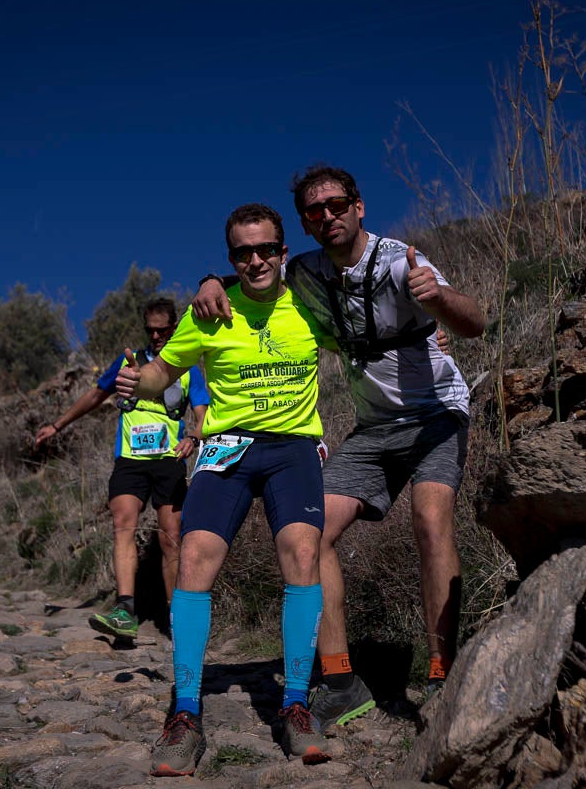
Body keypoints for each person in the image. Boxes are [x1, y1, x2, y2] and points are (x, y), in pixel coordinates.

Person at [192, 165, 485, 727]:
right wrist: (210, 280)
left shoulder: (402, 260)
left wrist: (440, 299)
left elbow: (474, 322)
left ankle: (442, 669)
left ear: (359, 206)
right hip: (374, 429)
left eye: (337, 204)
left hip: (435, 416)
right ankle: (341, 679)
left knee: (430, 520)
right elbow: (252, 272)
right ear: (304, 224)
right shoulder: (304, 271)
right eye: (314, 211)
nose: (327, 216)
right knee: (311, 533)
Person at [116, 203, 336, 776]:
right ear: (231, 258)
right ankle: (185, 712)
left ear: (284, 252)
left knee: (303, 552)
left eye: (266, 249)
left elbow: (364, 337)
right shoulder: (209, 309)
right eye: (243, 252)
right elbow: (167, 372)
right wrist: (141, 381)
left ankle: (294, 704)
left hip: (291, 446)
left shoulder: (310, 302)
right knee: (193, 556)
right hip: (227, 447)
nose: (256, 259)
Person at [35, 297, 208, 639]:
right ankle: (125, 610)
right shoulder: (129, 363)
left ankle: (177, 618)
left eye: (163, 330)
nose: (157, 337)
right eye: (151, 331)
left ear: (174, 328)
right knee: (122, 525)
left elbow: (204, 417)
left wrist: (193, 437)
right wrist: (57, 425)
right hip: (129, 459)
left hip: (168, 460)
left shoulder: (188, 369)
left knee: (172, 538)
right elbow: (95, 396)